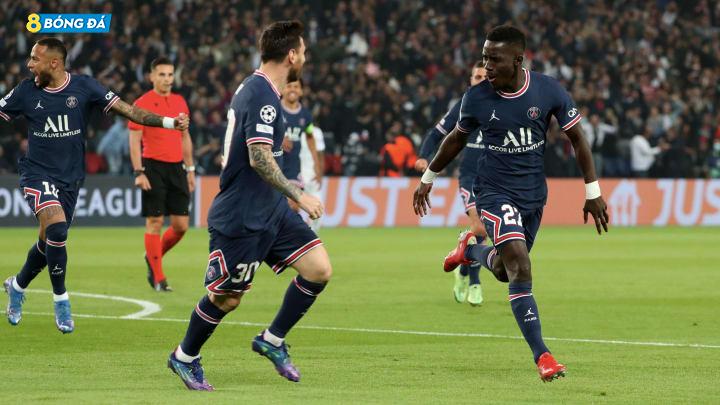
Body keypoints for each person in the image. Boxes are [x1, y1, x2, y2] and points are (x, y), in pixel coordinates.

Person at [412, 26, 609, 382]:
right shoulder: (476, 98)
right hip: (493, 192)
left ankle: (470, 251)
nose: (487, 66)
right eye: (484, 57)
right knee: (521, 266)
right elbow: (455, 139)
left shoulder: (548, 90)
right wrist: (428, 177)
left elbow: (578, 138)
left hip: (533, 195)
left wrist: (592, 191)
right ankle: (543, 356)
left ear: (518, 60)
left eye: (494, 59)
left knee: (505, 270)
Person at [167, 20, 332, 391]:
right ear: (292, 55)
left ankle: (272, 340)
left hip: (270, 210)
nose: (305, 58)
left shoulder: (263, 90)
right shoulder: (260, 94)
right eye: (304, 52)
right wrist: (299, 195)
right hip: (242, 215)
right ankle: (184, 356)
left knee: (318, 269)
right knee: (226, 299)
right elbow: (258, 158)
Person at [1, 37, 189, 334]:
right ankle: (61, 300)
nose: (29, 64)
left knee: (48, 241)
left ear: (54, 63)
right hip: (37, 174)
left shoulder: (85, 87)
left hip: (70, 178)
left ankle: (18, 285)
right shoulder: (25, 91)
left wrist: (169, 123)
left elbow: (131, 111)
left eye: (35, 59)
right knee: (57, 229)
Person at [415, 62, 489, 306]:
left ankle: (463, 267)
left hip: (495, 179)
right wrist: (424, 156)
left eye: (485, 76)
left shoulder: (503, 103)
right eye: (477, 76)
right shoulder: (465, 104)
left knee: (484, 233)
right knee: (479, 228)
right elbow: (437, 132)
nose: (481, 80)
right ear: (470, 80)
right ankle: (475, 284)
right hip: (470, 177)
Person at [128, 57, 195, 292]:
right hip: (152, 167)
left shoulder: (180, 101)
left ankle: (152, 256)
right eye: (162, 74)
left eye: (170, 74)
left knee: (181, 226)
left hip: (177, 168)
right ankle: (159, 278)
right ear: (152, 77)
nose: (167, 79)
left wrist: (190, 168)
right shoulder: (141, 103)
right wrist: (139, 172)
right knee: (154, 222)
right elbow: (134, 141)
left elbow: (185, 137)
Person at [279, 78, 320, 212]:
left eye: (296, 87)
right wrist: (278, 138)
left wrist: (316, 164)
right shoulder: (274, 110)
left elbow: (310, 136)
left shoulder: (306, 115)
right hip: (273, 167)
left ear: (301, 91)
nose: (292, 89)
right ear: (282, 89)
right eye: (289, 86)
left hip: (293, 169)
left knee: (294, 207)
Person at [300, 125, 325, 232]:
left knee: (319, 209)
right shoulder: (291, 129)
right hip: (296, 176)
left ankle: (312, 235)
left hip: (312, 176)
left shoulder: (317, 132)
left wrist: (320, 173)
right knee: (293, 210)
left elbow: (321, 154)